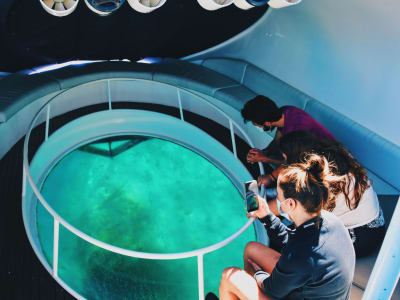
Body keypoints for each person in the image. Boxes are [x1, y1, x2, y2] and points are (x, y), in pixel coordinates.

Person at [207, 154, 355, 300]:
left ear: (290, 204)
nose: (277, 201)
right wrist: (266, 215)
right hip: (310, 286)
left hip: (290, 289)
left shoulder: (302, 255)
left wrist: (259, 275)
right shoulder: (329, 220)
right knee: (252, 249)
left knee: (229, 276)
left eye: (279, 197)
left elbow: (272, 290)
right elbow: (294, 243)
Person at [276, 130, 385, 257]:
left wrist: (263, 210)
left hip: (361, 239)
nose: (284, 165)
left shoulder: (314, 182)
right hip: (376, 222)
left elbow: (286, 208)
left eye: (285, 159)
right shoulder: (336, 154)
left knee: (285, 243)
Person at [241, 95, 335, 187]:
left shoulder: (297, 130)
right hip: (306, 155)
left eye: (258, 126)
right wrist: (263, 152)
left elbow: (294, 163)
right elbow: (277, 141)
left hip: (328, 163)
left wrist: (270, 176)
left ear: (268, 123)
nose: (258, 128)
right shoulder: (284, 111)